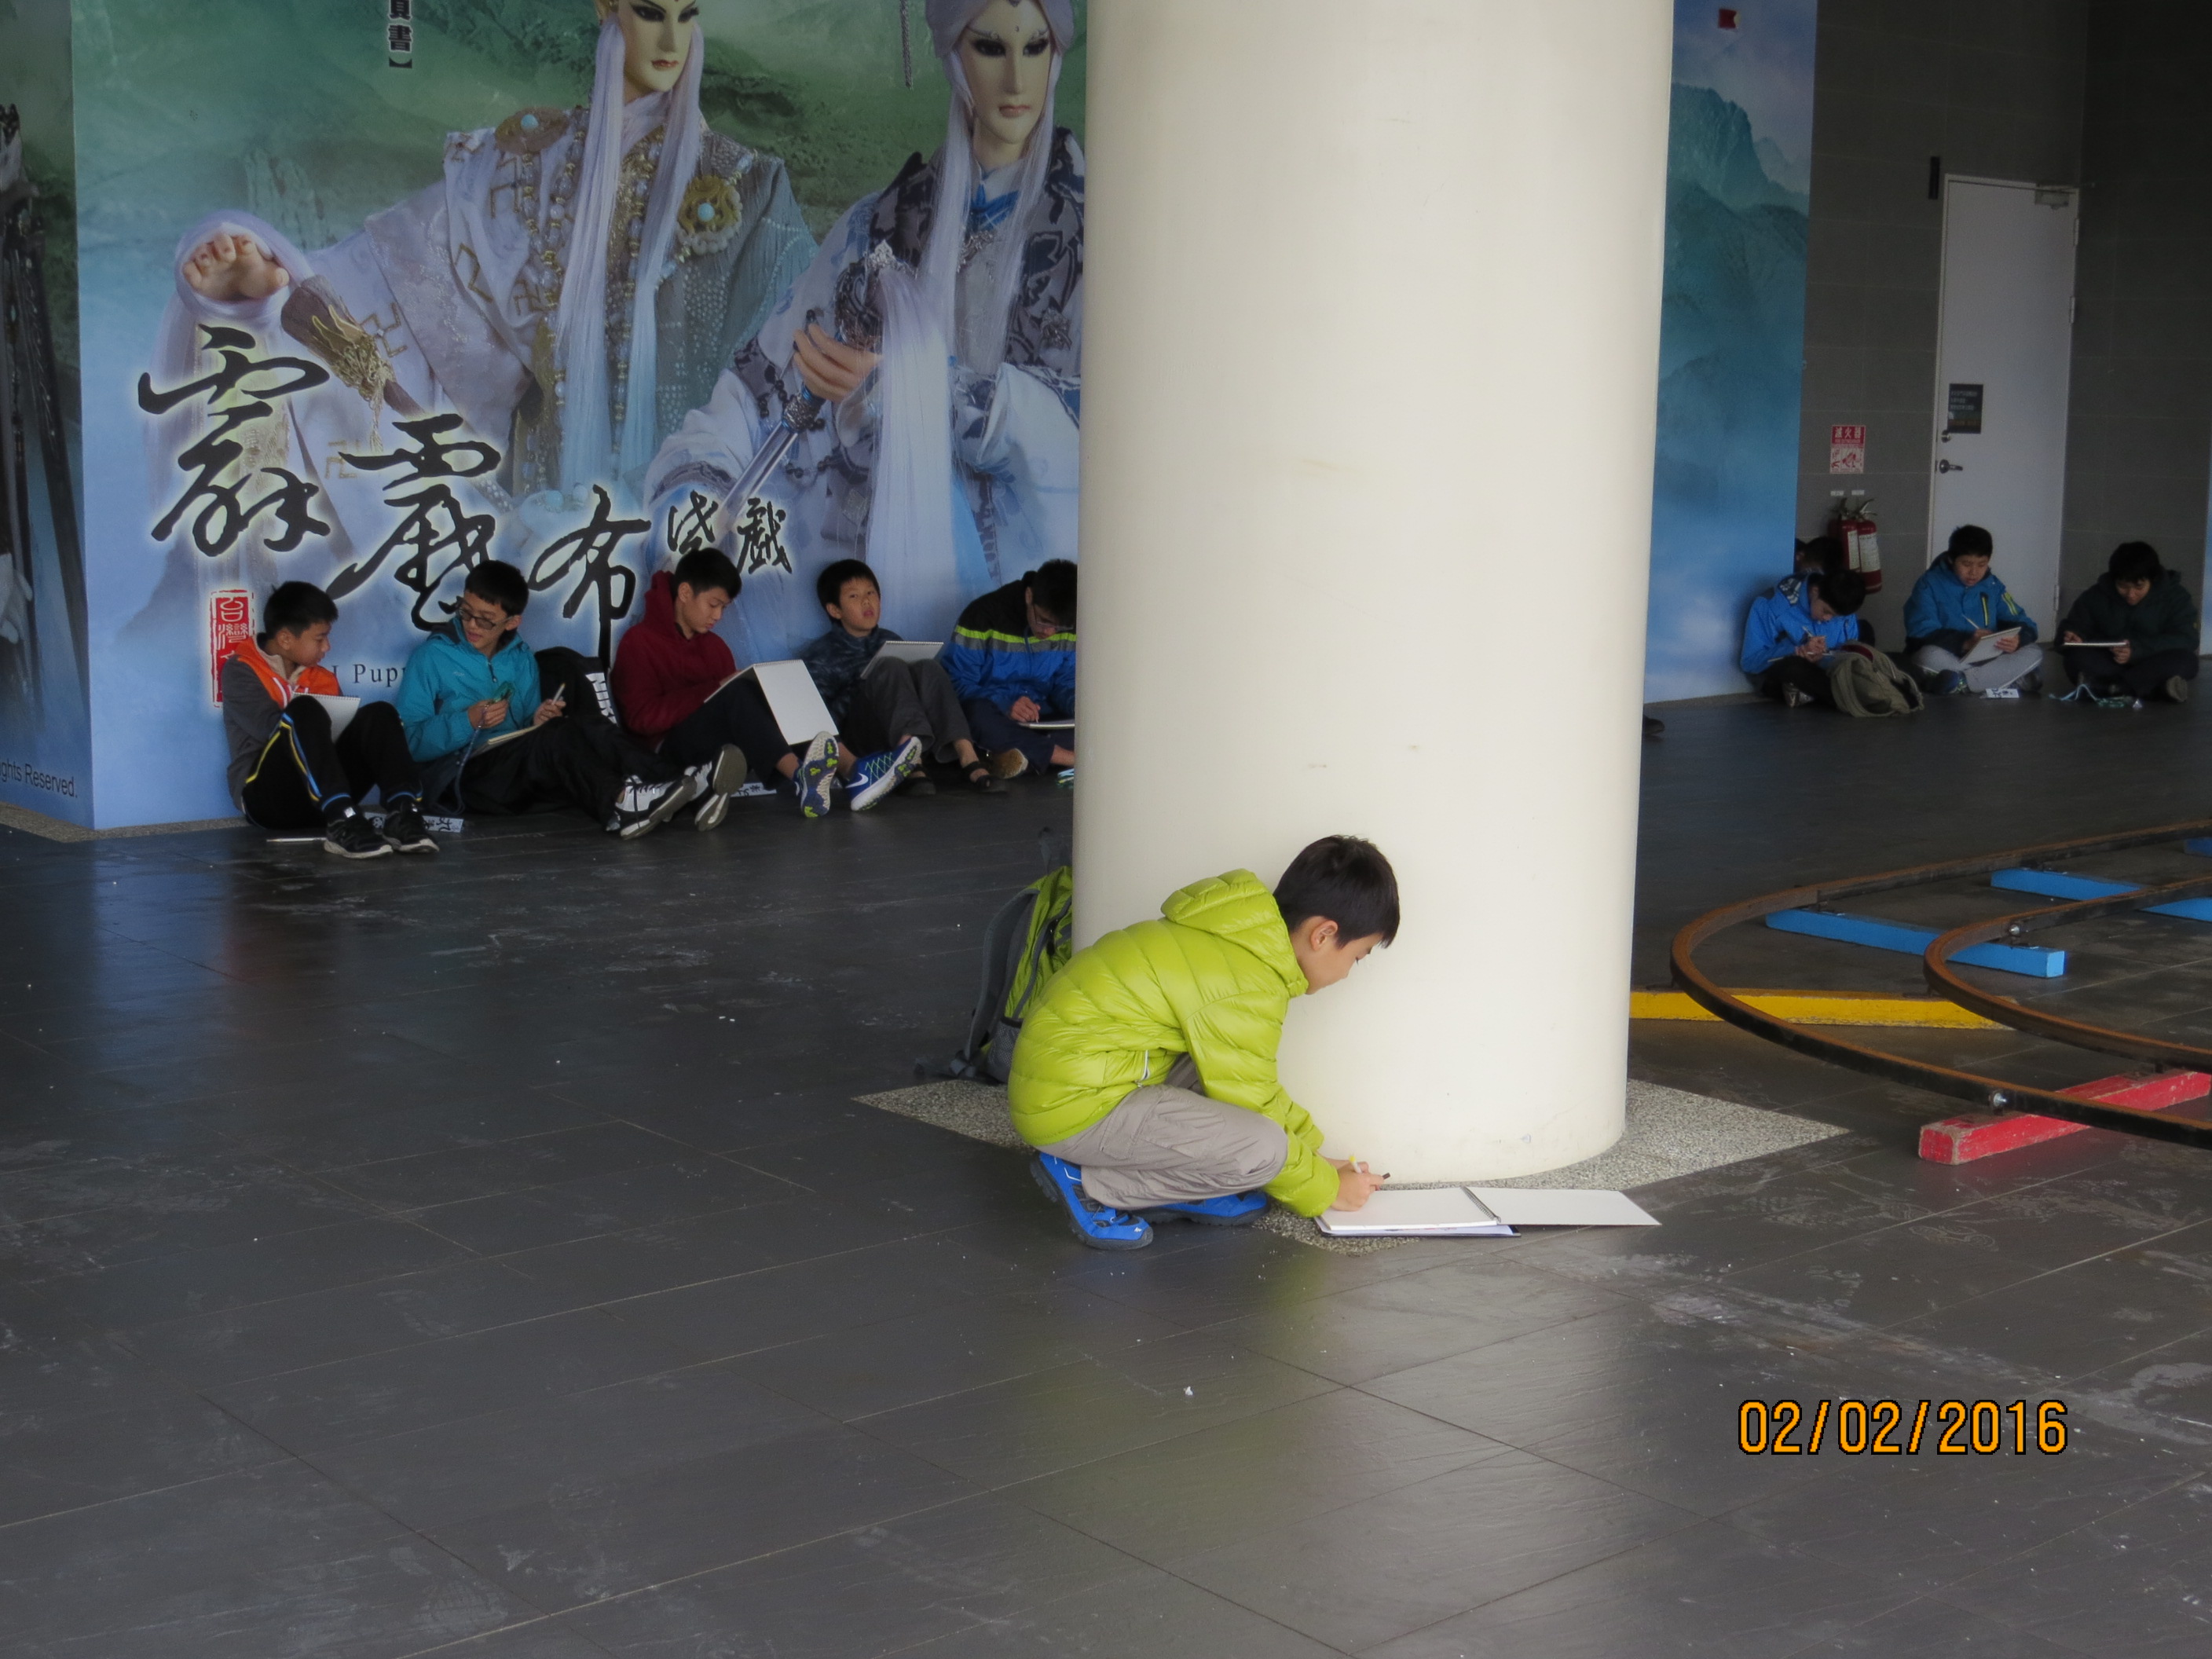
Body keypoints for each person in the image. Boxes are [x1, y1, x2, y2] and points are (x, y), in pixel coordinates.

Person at [150, 0, 817, 617]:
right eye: (649, 12)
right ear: (606, 9)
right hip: (542, 512)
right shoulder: (527, 164)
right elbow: (396, 275)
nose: (672, 38)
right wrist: (289, 284)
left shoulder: (750, 185)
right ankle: (274, 299)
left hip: (692, 510)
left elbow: (788, 350)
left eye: (687, 14)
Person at [645, 0, 1083, 664]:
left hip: (1008, 573)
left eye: (1036, 48)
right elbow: (765, 380)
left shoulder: (1094, 234)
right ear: (954, 57)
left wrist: (914, 388)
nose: (1017, 81)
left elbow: (1103, 427)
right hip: (860, 556)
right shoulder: (880, 223)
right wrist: (700, 488)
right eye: (991, 48)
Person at [1009, 835, 1399, 1249]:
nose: (1348, 972)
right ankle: (1090, 1182)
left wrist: (1317, 1155)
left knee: (1228, 1094)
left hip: (1074, 1083)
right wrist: (1327, 1188)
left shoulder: (1233, 944)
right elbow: (1254, 1105)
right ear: (1323, 934)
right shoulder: (1246, 981)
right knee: (1264, 1149)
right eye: (1357, 956)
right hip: (1071, 1107)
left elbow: (1253, 1084)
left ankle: (1182, 1188)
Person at [394, 560, 705, 837]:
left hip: (514, 771)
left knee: (585, 723)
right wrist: (467, 721)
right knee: (556, 737)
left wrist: (537, 719)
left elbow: (526, 730)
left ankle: (681, 783)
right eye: (466, 612)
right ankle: (621, 803)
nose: (472, 625)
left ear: (512, 622)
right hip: (464, 777)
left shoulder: (521, 658)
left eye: (486, 619)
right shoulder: (431, 656)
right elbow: (409, 743)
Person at [610, 548, 921, 818]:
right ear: (685, 593)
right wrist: (714, 690)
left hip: (722, 753)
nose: (718, 616)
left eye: (724, 608)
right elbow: (640, 720)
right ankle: (803, 777)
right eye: (713, 604)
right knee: (736, 694)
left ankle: (854, 772)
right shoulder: (640, 641)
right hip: (666, 755)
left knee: (779, 687)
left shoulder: (715, 646)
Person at [221, 581, 431, 859]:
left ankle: (403, 813)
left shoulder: (322, 678)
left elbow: (338, 742)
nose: (327, 647)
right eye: (320, 639)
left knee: (380, 713)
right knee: (303, 710)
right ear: (286, 639)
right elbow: (269, 730)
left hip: (322, 799)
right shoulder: (241, 670)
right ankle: (343, 820)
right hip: (269, 800)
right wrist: (307, 717)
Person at [800, 558, 1011, 794]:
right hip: (860, 743)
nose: (867, 602)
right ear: (835, 610)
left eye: (871, 593)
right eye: (854, 596)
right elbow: (817, 722)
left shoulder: (890, 639)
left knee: (928, 667)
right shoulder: (822, 654)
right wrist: (863, 685)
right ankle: (911, 765)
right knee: (889, 667)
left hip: (908, 733)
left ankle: (968, 758)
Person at [943, 558, 1076, 776]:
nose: (1049, 632)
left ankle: (1010, 756)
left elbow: (1065, 682)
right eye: (1043, 621)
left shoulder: (1071, 622)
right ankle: (1067, 759)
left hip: (1042, 716)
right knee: (976, 716)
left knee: (1090, 724)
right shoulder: (982, 615)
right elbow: (956, 682)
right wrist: (1006, 704)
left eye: (1059, 627)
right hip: (995, 712)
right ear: (1029, 596)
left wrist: (1077, 704)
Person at [1904, 525, 2043, 694]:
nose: (1974, 572)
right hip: (1950, 656)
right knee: (1926, 656)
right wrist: (1965, 642)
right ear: (1951, 559)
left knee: (2033, 651)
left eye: (1982, 564)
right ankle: (2009, 681)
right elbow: (1920, 631)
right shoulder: (1929, 584)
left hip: (1988, 656)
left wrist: (2018, 640)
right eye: (1966, 564)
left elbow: (2022, 620)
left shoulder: (1992, 585)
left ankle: (1961, 683)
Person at [2059, 540, 2200, 705]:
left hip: (2152, 663)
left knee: (2186, 660)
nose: (2131, 594)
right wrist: (2073, 635)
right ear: (2114, 580)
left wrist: (2137, 650)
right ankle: (2155, 690)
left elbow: (2187, 638)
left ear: (2153, 580)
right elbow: (2074, 625)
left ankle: (2109, 688)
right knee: (2076, 657)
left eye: (2139, 587)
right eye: (2123, 586)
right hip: (2111, 662)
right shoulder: (2096, 595)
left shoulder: (2176, 597)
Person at [1740, 568, 1869, 708]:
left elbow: (1846, 653)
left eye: (1835, 617)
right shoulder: (1772, 605)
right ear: (1815, 591)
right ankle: (1855, 699)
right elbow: (1750, 662)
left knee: (1866, 631)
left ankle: (1843, 694)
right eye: (1826, 611)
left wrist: (1824, 657)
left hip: (1825, 671)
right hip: (1783, 671)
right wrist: (1797, 651)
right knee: (1794, 669)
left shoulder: (1843, 610)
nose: (1827, 619)